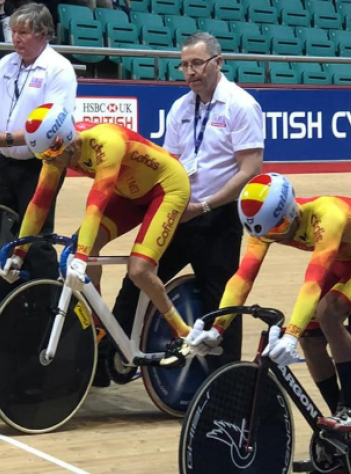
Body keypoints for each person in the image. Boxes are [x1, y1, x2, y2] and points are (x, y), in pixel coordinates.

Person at [103, 32, 264, 385]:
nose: (189, 71)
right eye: (185, 64)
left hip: (218, 217)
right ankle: (109, 359)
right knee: (138, 276)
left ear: (217, 63)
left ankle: (224, 383)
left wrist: (206, 204)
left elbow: (251, 169)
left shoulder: (241, 105)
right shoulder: (180, 107)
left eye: (196, 63)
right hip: (179, 213)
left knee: (220, 303)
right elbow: (170, 164)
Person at [187, 172, 351, 434]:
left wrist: (289, 333)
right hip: (344, 255)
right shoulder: (266, 226)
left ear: (292, 212)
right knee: (309, 339)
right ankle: (340, 416)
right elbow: (243, 277)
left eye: (278, 229)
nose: (275, 237)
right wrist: (217, 327)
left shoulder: (327, 216)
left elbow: (312, 282)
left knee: (328, 313)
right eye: (268, 233)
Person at [0, 104, 193, 360]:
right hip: (128, 193)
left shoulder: (106, 142)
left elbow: (96, 204)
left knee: (139, 269)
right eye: (43, 156)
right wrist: (19, 252)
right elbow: (39, 202)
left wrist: (81, 258)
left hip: (166, 188)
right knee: (78, 251)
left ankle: (184, 332)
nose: (51, 161)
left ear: (67, 139)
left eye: (53, 153)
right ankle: (100, 325)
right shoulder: (55, 152)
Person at [0, 2, 76, 279]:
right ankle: (9, 297)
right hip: (6, 162)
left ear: (43, 34)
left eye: (23, 32)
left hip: (42, 165)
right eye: (13, 31)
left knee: (35, 238)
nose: (16, 38)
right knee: (0, 230)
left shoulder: (59, 69)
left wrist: (5, 138)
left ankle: (49, 298)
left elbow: (53, 127)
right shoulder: (5, 63)